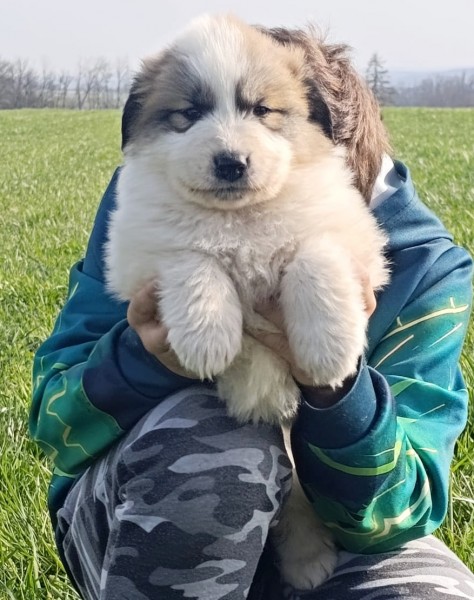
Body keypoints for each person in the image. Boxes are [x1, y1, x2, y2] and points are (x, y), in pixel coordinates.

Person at [30, 145, 474, 600]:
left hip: (341, 536)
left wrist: (336, 393)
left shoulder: (429, 265)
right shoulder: (162, 178)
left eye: (266, 114)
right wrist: (144, 359)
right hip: (147, 509)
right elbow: (53, 424)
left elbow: (406, 509)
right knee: (222, 450)